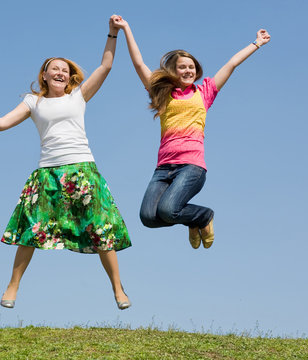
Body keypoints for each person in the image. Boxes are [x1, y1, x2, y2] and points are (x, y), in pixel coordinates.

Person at [0, 15, 132, 309]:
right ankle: (12, 286)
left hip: (81, 170)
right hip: (47, 172)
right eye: (54, 69)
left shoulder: (79, 96)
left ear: (70, 77)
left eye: (64, 70)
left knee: (101, 229)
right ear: (43, 75)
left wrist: (111, 34)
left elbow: (105, 66)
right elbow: (3, 123)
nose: (60, 73)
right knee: (32, 229)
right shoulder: (33, 101)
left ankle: (118, 289)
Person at [113, 17, 270, 249]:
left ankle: (204, 216)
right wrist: (125, 28)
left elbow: (231, 64)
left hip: (191, 166)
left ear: (196, 71)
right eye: (182, 67)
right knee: (148, 217)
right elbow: (138, 64)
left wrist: (256, 43)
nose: (187, 70)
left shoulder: (204, 92)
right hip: (163, 168)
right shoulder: (162, 93)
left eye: (191, 67)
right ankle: (193, 220)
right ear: (174, 71)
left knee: (168, 210)